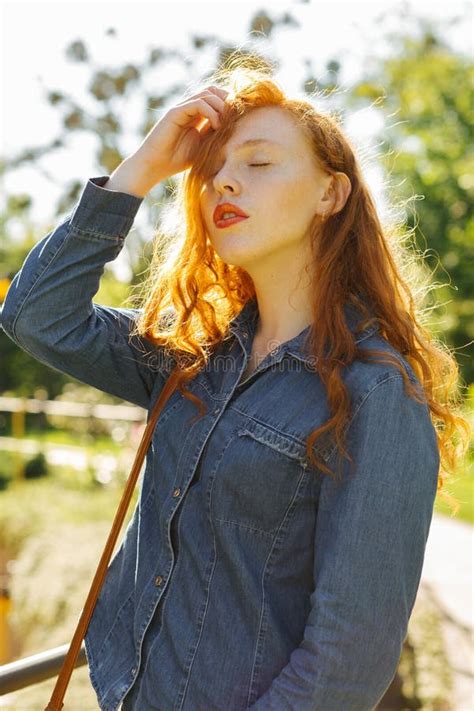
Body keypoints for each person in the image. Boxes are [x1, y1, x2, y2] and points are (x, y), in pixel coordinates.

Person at [1, 63, 469, 711]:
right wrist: (140, 168)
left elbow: (345, 663)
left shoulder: (377, 391)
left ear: (330, 195)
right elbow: (36, 316)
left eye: (258, 163)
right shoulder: (195, 357)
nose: (223, 178)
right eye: (215, 167)